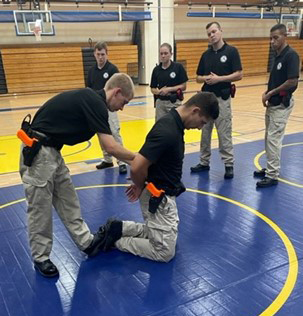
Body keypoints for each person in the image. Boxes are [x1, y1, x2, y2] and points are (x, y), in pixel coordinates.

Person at [19, 73, 136, 277]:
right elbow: (110, 147)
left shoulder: (93, 101)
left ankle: (86, 242)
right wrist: (140, 160)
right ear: (116, 92)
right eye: (124, 101)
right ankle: (41, 257)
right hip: (39, 152)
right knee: (40, 209)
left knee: (68, 199)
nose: (122, 108)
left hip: (52, 151)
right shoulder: (95, 102)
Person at [97, 92, 219, 262]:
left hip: (163, 193)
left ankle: (120, 228)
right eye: (202, 122)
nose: (199, 128)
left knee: (162, 235)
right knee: (164, 252)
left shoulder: (174, 124)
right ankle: (116, 241)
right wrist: (139, 186)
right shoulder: (167, 130)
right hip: (157, 196)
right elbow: (138, 165)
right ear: (195, 111)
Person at [190, 22, 243, 179]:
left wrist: (220, 79)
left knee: (224, 132)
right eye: (209, 33)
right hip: (206, 100)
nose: (211, 35)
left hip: (222, 99)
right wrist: (205, 78)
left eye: (214, 32)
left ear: (221, 31)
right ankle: (204, 161)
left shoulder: (231, 51)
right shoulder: (205, 55)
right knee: (205, 132)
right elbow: (198, 77)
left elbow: (239, 74)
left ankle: (228, 164)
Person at [254, 24, 300, 188]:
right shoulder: (277, 55)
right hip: (272, 104)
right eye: (271, 38)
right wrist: (267, 94)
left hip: (281, 104)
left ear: (285, 36)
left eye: (276, 38)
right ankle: (270, 168)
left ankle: (272, 175)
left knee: (273, 139)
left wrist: (271, 92)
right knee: (269, 138)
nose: (272, 41)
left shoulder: (291, 55)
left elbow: (292, 81)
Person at [87, 41, 127, 174]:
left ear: (107, 54)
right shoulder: (91, 71)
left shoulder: (112, 70)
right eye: (98, 54)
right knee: (101, 133)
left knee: (114, 133)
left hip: (110, 107)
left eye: (103, 54)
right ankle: (107, 159)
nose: (100, 57)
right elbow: (89, 89)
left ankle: (121, 161)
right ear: (94, 54)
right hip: (96, 108)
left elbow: (118, 89)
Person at [150, 43, 188, 121]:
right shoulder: (156, 70)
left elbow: (184, 86)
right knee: (160, 126)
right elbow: (152, 88)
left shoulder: (178, 67)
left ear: (171, 54)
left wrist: (169, 89)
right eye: (161, 54)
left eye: (166, 53)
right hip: (160, 103)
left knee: (175, 125)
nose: (163, 56)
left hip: (174, 102)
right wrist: (158, 92)